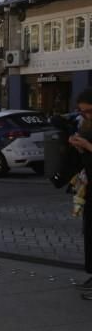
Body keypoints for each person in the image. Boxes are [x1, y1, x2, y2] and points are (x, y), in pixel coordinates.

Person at [67, 89, 92, 296]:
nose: (85, 115)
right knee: (89, 232)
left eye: (89, 111)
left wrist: (87, 145)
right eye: (82, 112)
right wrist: (79, 147)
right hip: (90, 185)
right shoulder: (85, 124)